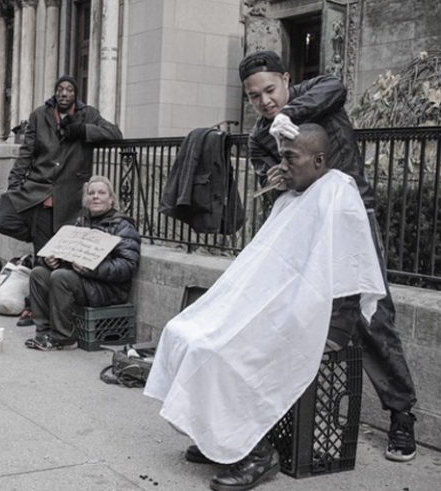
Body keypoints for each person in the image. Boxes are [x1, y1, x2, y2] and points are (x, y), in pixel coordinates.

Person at [145, 124, 387, 491]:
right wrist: (283, 190)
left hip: (317, 319)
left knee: (220, 352)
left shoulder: (337, 193)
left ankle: (257, 453)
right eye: (282, 158)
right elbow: (272, 259)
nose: (283, 165)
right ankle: (219, 436)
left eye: (291, 158)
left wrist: (320, 326)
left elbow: (339, 274)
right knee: (183, 332)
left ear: (319, 161)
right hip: (280, 308)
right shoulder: (296, 194)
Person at [237, 50, 417, 462]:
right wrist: (276, 178)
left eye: (270, 90)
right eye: (254, 97)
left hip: (352, 219)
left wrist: (290, 116)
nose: (265, 102)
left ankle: (401, 416)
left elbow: (336, 84)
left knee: (371, 319)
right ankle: (277, 415)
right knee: (288, 313)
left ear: (286, 79)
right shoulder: (257, 136)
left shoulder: (320, 94)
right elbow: (273, 185)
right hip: (303, 228)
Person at [0, 75, 122, 327]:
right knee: (5, 222)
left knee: (53, 258)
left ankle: (40, 311)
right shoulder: (39, 115)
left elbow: (114, 133)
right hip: (38, 194)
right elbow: (26, 154)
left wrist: (82, 131)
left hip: (69, 201)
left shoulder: (88, 114)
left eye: (69, 90)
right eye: (60, 89)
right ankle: (40, 306)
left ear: (75, 94)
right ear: (55, 93)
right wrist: (14, 186)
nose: (64, 93)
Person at [25, 176, 141, 351]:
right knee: (39, 273)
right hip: (84, 280)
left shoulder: (122, 226)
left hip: (106, 288)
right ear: (86, 199)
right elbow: (65, 251)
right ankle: (44, 332)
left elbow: (127, 266)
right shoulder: (82, 222)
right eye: (91, 193)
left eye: (101, 193)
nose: (95, 196)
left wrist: (92, 269)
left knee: (61, 277)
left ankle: (64, 339)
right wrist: (50, 260)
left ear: (111, 199)